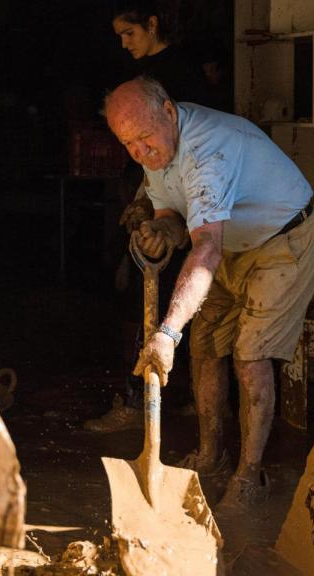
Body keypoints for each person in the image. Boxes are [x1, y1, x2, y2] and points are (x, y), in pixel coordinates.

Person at [104, 77, 314, 511]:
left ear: (168, 111)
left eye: (145, 140)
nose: (141, 153)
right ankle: (210, 456)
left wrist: (166, 334)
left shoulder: (209, 152)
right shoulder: (156, 143)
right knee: (202, 345)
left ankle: (249, 474)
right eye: (129, 145)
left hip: (282, 240)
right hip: (230, 244)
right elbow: (171, 213)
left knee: (249, 356)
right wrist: (160, 230)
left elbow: (206, 248)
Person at [83, 0, 216, 433]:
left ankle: (139, 400)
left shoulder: (177, 75)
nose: (124, 44)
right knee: (149, 295)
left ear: (152, 25)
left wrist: (147, 203)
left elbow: (169, 152)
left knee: (155, 298)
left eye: (130, 34)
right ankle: (160, 398)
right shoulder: (155, 74)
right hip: (157, 194)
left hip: (177, 201)